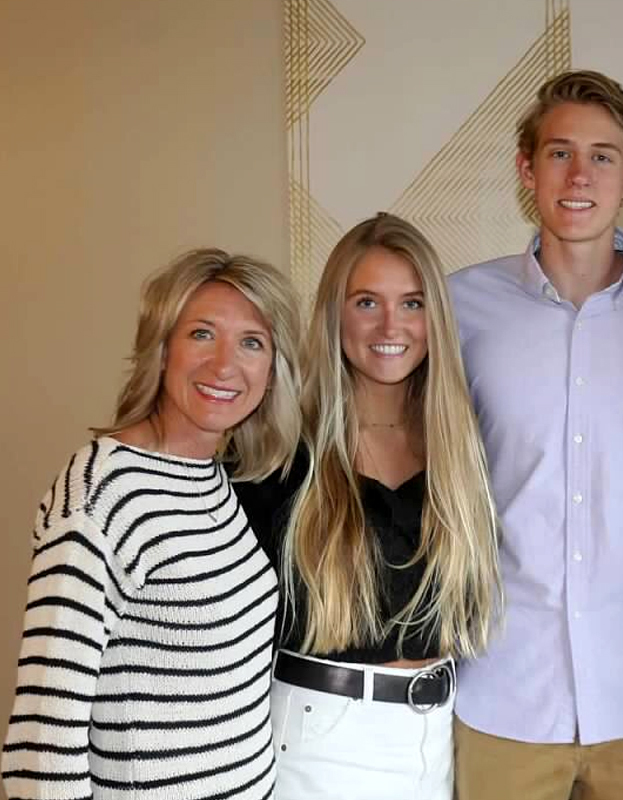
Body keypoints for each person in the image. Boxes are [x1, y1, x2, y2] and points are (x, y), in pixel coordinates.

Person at [448, 70, 623, 800]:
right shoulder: (460, 307)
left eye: (604, 155)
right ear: (527, 170)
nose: (580, 174)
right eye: (558, 153)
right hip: (501, 693)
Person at [1, 249, 302, 799]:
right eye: (202, 334)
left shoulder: (215, 480)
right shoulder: (102, 490)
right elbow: (44, 735)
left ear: (271, 372)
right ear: (162, 350)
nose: (225, 365)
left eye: (251, 343)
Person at [234, 213, 501, 800]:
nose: (390, 325)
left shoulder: (460, 446)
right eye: (366, 302)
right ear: (335, 312)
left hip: (438, 735)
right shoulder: (281, 448)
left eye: (412, 303)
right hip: (319, 738)